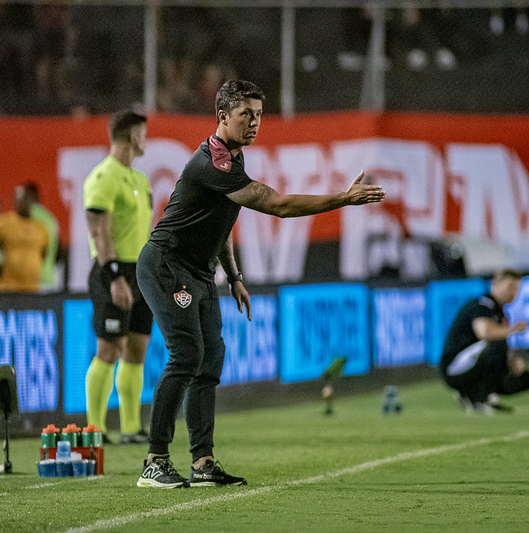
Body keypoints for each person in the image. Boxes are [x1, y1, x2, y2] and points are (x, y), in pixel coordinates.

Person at [135, 80, 385, 488]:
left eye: (258, 115)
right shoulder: (211, 164)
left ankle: (202, 463)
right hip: (167, 266)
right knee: (187, 354)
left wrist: (233, 276)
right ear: (222, 117)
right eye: (245, 115)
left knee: (210, 357)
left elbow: (220, 226)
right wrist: (342, 198)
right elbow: (279, 206)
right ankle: (154, 461)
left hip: (199, 271)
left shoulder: (230, 162)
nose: (254, 123)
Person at [83, 109, 153, 445]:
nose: (146, 139)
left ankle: (130, 426)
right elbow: (99, 232)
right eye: (143, 132)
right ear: (129, 135)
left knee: (137, 349)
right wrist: (114, 277)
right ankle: (94, 430)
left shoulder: (139, 180)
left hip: (140, 273)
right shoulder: (103, 176)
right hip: (113, 272)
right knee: (109, 349)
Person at [439, 268, 529, 413]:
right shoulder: (482, 304)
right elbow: (485, 332)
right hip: (454, 367)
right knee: (496, 344)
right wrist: (512, 329)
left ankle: (475, 393)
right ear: (495, 285)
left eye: (517, 288)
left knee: (526, 378)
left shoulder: (499, 312)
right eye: (510, 286)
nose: (514, 292)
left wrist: (513, 362)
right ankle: (478, 397)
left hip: (474, 363)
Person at [0, 186, 48, 292]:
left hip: (32, 288)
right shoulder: (3, 223)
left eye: (25, 198)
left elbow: (44, 253)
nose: (22, 202)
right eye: (19, 198)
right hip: (7, 287)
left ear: (31, 200)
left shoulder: (41, 228)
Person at [23, 182, 61, 292]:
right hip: (49, 280)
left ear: (29, 196)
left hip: (29, 282)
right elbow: (58, 251)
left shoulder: (28, 216)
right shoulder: (51, 219)